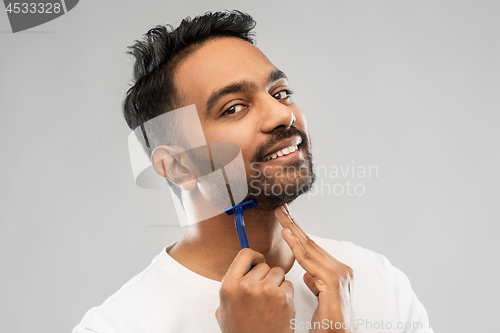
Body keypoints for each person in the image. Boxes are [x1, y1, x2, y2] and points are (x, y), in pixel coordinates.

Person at [73, 10, 433, 333]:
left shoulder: (376, 282)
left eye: (280, 92)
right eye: (233, 108)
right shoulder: (119, 326)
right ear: (178, 165)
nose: (282, 115)